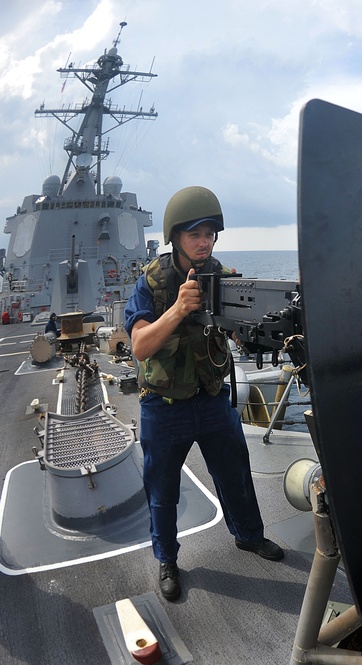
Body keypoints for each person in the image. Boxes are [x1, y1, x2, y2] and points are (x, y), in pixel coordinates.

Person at [125, 186, 283, 602]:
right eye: (195, 233)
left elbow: (243, 328)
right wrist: (178, 309)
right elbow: (140, 347)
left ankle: (249, 535)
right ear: (175, 236)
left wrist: (268, 325)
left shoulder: (224, 279)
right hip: (164, 406)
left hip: (212, 398)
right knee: (162, 491)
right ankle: (167, 560)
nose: (204, 242)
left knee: (236, 474)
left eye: (210, 234)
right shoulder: (152, 284)